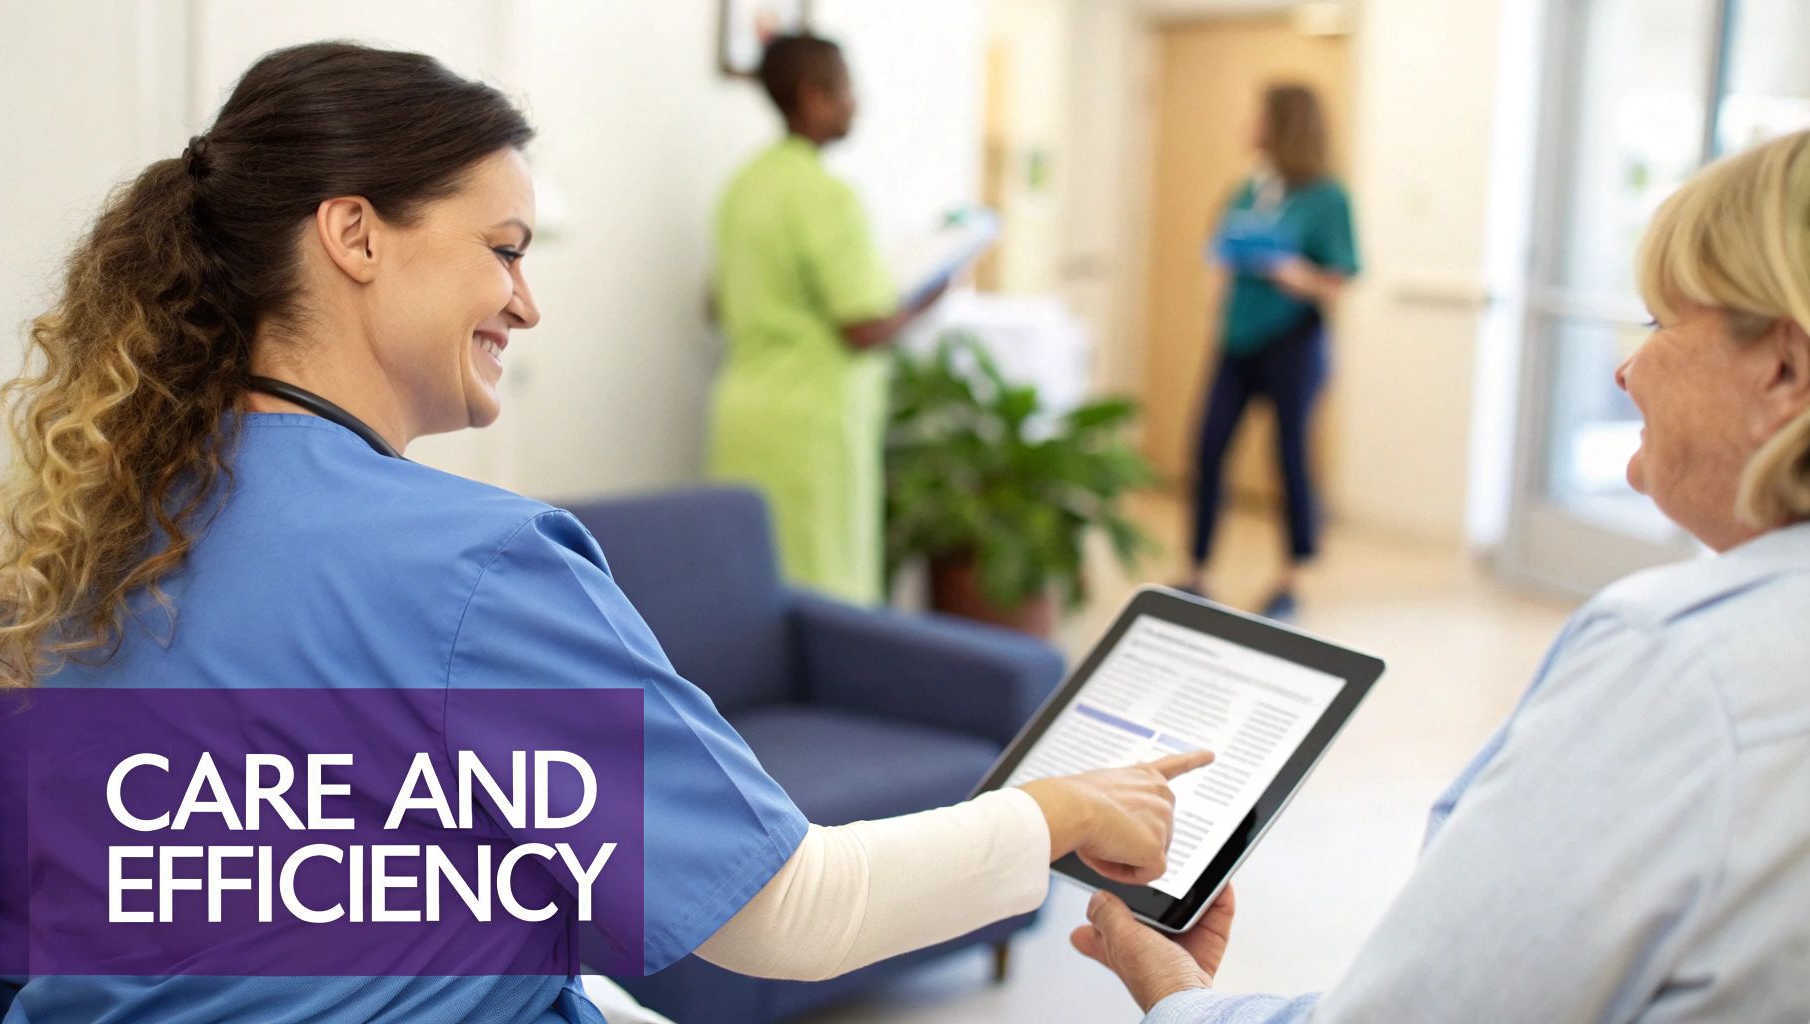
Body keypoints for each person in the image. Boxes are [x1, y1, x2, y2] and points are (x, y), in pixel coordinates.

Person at [0, 42, 1211, 1024]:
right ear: (352, 233)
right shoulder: (472, 567)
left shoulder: (96, 535)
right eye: (503, 250)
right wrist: (1062, 810)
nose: (529, 300)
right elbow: (790, 912)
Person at [1080, 130, 1810, 1022]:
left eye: (1660, 324)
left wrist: (1176, 994)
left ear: (1784, 368)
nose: (1626, 369)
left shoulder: (1681, 667)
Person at [707, 34, 948, 605]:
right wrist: (929, 295)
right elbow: (862, 327)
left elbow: (713, 303)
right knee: (821, 599)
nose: (854, 104)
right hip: (807, 427)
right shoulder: (824, 194)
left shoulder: (742, 185)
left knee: (747, 593)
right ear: (814, 96)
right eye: (846, 90)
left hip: (741, 414)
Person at [1186, 84, 1359, 621]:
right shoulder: (1248, 188)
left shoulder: (1327, 198)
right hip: (1236, 340)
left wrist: (1293, 274)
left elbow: (1342, 275)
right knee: (1208, 446)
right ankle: (1196, 570)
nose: (1247, 122)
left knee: (1289, 458)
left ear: (1283, 123)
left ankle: (1292, 575)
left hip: (1292, 341)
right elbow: (1220, 247)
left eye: (1256, 114)